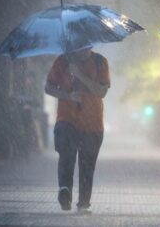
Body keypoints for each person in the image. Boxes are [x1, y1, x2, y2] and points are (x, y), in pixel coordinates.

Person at [45, 47, 110, 214]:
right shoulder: (63, 61)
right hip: (67, 119)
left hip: (93, 123)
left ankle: (83, 203)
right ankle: (65, 190)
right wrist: (68, 96)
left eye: (87, 44)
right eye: (79, 44)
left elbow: (101, 91)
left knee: (87, 165)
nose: (83, 48)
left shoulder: (100, 62)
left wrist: (80, 74)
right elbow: (48, 88)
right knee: (66, 155)